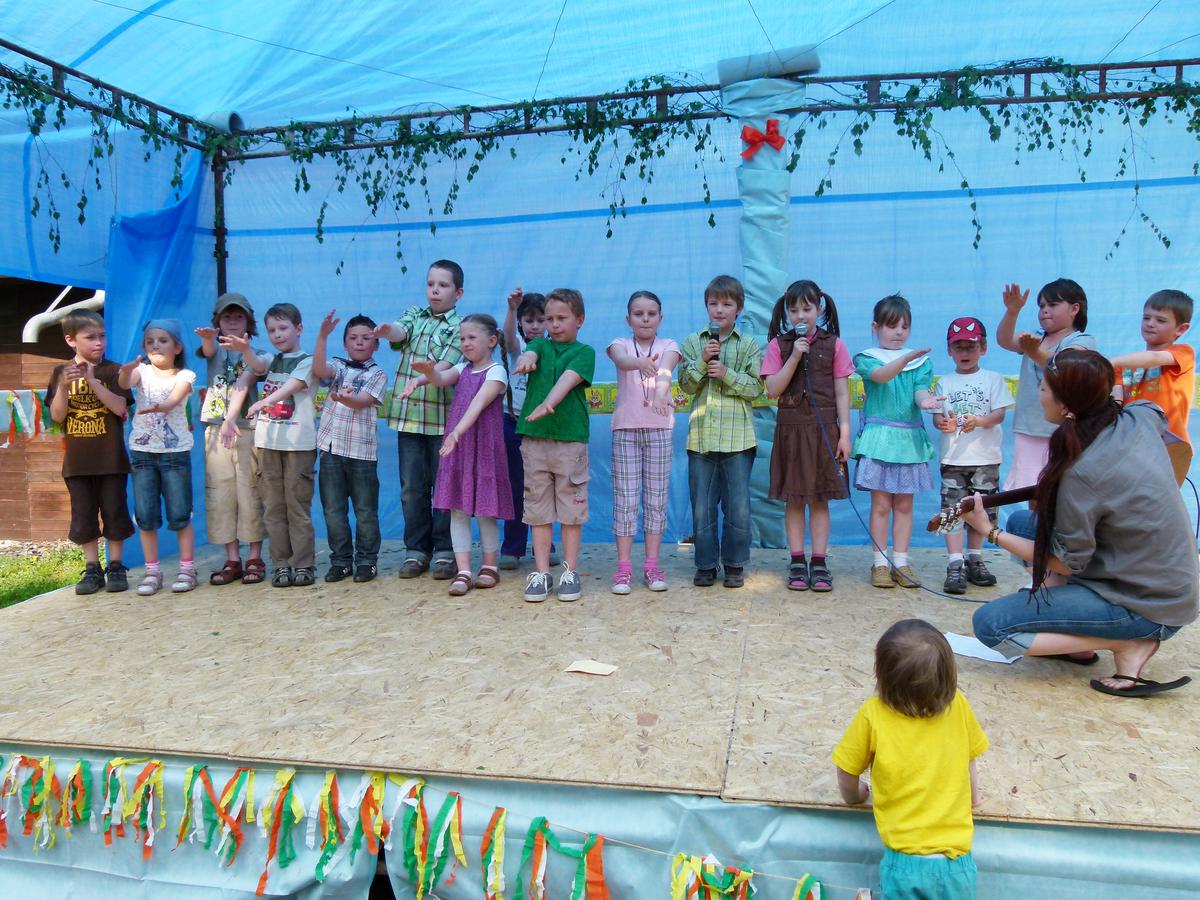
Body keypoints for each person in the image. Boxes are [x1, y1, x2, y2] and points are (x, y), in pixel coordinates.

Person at [970, 348, 1198, 697]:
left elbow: (1065, 562)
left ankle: (1126, 642)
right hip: (1171, 581)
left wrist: (989, 531)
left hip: (1149, 606)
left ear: (1065, 406)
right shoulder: (1141, 415)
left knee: (991, 625)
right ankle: (1076, 637)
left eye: (1043, 388)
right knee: (1023, 522)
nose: (1038, 394)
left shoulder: (1082, 474)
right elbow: (1150, 412)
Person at [833, 619, 987, 900]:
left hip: (905, 865)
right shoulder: (958, 705)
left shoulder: (873, 713)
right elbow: (969, 762)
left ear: (879, 672)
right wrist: (974, 799)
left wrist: (855, 796)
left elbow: (846, 771)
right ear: (949, 675)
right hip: (958, 864)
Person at [403, 314, 514, 596]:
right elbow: (440, 379)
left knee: (486, 511)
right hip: (459, 449)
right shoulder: (462, 367)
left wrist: (456, 432)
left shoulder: (497, 372)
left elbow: (477, 405)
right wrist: (426, 375)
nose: (465, 343)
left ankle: (489, 566)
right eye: (462, 338)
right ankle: (464, 570)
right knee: (458, 510)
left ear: (491, 341)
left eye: (472, 338)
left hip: (482, 448)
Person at [376, 260, 464, 580]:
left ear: (458, 293)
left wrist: (425, 375)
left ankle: (444, 550)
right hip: (408, 420)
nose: (435, 290)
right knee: (411, 488)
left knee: (444, 488)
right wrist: (388, 331)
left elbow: (446, 365)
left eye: (443, 285)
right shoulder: (414, 314)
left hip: (442, 421)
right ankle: (416, 550)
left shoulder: (460, 327)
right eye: (430, 284)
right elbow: (400, 332)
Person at [761, 280, 851, 592]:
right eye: (794, 310)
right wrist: (795, 357)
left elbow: (842, 392)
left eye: (807, 309)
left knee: (820, 500)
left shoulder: (834, 344)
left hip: (825, 431)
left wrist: (845, 434)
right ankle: (797, 560)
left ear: (819, 309)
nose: (800, 315)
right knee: (795, 500)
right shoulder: (779, 345)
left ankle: (819, 561)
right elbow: (772, 389)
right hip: (791, 431)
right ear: (787, 312)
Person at [220, 303, 317, 588]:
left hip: (298, 446)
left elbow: (293, 386)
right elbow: (258, 365)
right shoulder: (269, 359)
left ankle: (303, 564)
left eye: (283, 328)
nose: (278, 335)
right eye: (272, 330)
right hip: (267, 444)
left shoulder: (308, 360)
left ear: (299, 329)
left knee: (297, 507)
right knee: (273, 508)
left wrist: (264, 401)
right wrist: (245, 350)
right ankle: (281, 564)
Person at [678, 275, 763, 589]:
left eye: (727, 304)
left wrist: (727, 374)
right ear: (706, 307)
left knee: (738, 507)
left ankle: (734, 563)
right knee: (702, 507)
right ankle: (705, 564)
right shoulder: (693, 342)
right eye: (713, 303)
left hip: (738, 439)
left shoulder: (749, 345)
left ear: (738, 308)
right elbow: (685, 385)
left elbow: (756, 389)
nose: (719, 310)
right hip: (701, 439)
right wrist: (702, 361)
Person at [852, 295, 942, 589]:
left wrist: (926, 402)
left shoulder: (921, 363)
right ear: (875, 327)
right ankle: (880, 563)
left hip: (909, 441)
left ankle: (901, 562)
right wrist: (904, 359)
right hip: (880, 439)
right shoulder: (867, 357)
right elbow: (880, 377)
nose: (899, 332)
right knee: (880, 504)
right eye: (892, 326)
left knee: (904, 505)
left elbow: (919, 391)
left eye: (905, 326)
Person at [513, 288, 595, 602]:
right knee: (538, 510)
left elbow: (568, 380)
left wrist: (548, 403)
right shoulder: (540, 345)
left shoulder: (584, 352)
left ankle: (569, 572)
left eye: (562, 318)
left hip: (570, 441)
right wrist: (525, 358)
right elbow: (530, 353)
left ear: (580, 320)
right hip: (534, 441)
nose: (554, 325)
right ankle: (542, 573)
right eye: (550, 319)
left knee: (571, 510)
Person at [46, 310, 135, 594]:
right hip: (78, 463)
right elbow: (57, 416)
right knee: (83, 516)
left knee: (115, 512)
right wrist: (64, 387)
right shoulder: (61, 373)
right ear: (71, 340)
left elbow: (120, 408)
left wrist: (93, 381)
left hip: (111, 460)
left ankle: (116, 565)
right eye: (90, 337)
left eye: (102, 336)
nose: (99, 342)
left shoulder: (114, 370)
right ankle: (92, 568)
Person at [932, 317, 1014, 595]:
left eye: (971, 346)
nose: (965, 352)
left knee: (981, 511)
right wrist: (944, 424)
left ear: (983, 348)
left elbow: (999, 414)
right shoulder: (944, 382)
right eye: (959, 347)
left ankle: (975, 558)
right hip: (953, 460)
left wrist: (978, 421)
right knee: (952, 512)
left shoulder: (993, 379)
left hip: (986, 459)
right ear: (949, 350)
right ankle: (955, 562)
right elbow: (937, 418)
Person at [607, 290, 680, 594]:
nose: (645, 319)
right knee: (625, 500)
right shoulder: (620, 344)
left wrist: (662, 393)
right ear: (629, 319)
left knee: (656, 500)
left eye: (651, 314)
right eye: (639, 314)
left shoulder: (669, 345)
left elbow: (666, 369)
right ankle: (623, 568)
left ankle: (652, 566)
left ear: (660, 318)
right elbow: (622, 361)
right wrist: (639, 363)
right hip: (625, 430)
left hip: (659, 430)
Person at [195, 292, 270, 586]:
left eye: (239, 317)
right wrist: (208, 338)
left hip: (247, 428)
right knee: (221, 492)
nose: (233, 322)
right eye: (227, 317)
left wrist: (245, 349)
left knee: (250, 491)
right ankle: (232, 559)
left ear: (248, 322)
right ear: (218, 322)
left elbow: (259, 368)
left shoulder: (255, 351)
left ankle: (255, 557)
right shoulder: (214, 348)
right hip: (216, 429)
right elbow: (208, 350)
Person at [117, 319, 198, 595]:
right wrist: (125, 372)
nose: (156, 346)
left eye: (163, 341)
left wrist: (160, 406)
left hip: (175, 453)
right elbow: (126, 383)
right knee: (145, 515)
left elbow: (174, 399)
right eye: (150, 342)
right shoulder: (140, 371)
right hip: (143, 454)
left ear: (177, 347)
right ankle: (152, 571)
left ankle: (187, 569)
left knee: (180, 513)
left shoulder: (185, 375)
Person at [996, 279, 1095, 491]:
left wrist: (1034, 352)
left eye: (1053, 304)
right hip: (1028, 428)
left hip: (1062, 430)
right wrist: (1012, 312)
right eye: (1041, 306)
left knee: (1060, 488)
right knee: (1030, 490)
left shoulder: (1083, 341)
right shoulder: (1035, 338)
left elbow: (1064, 366)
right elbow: (1004, 340)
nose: (1045, 311)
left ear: (1074, 309)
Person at [313, 310, 388, 584]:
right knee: (333, 511)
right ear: (344, 343)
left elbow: (362, 401)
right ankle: (341, 561)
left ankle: (367, 561)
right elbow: (319, 371)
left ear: (376, 344)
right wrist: (322, 336)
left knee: (365, 511)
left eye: (366, 338)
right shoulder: (337, 365)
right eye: (353, 337)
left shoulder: (378, 374)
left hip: (362, 454)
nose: (359, 342)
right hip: (331, 450)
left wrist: (345, 399)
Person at [499, 289, 559, 569]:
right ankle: (512, 546)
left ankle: (544, 545)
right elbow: (509, 337)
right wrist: (512, 309)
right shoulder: (518, 348)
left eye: (541, 320)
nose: (535, 326)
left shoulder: (555, 349)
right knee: (515, 485)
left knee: (543, 487)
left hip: (543, 426)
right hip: (513, 423)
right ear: (521, 322)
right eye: (529, 320)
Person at [1111, 289, 1194, 485]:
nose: (1150, 323)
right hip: (1132, 442)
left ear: (1181, 329)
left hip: (1169, 444)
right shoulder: (1122, 366)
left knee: (1159, 498)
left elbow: (1154, 358)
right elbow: (1116, 403)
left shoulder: (1184, 353)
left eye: (1160, 320)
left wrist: (1110, 362)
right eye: (1146, 317)